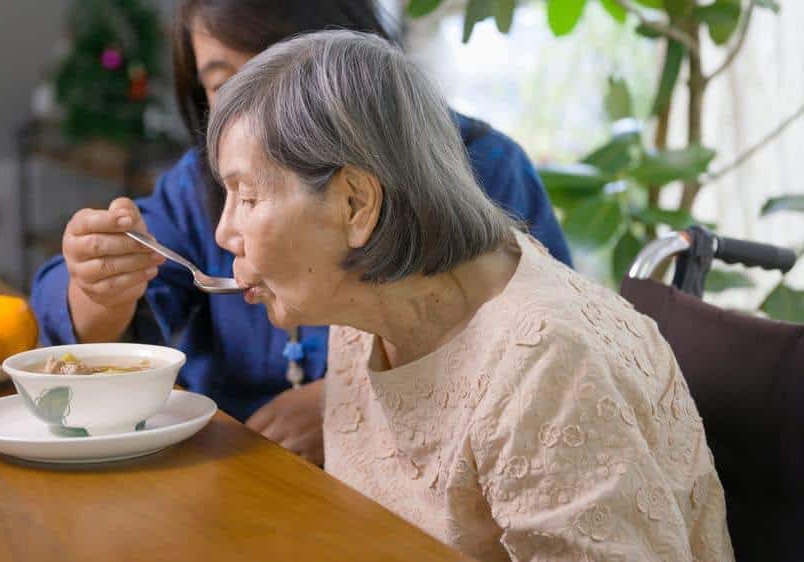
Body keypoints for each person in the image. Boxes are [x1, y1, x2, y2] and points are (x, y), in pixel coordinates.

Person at [206, 29, 733, 561]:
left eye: (247, 196)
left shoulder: (547, 364)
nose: (225, 233)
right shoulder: (364, 305)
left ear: (354, 204)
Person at [30, 0, 571, 466]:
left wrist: (354, 401)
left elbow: (537, 357)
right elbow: (88, 334)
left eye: (278, 68)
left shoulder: (482, 170)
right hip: (235, 480)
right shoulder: (198, 188)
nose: (251, 105)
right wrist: (100, 283)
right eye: (224, 83)